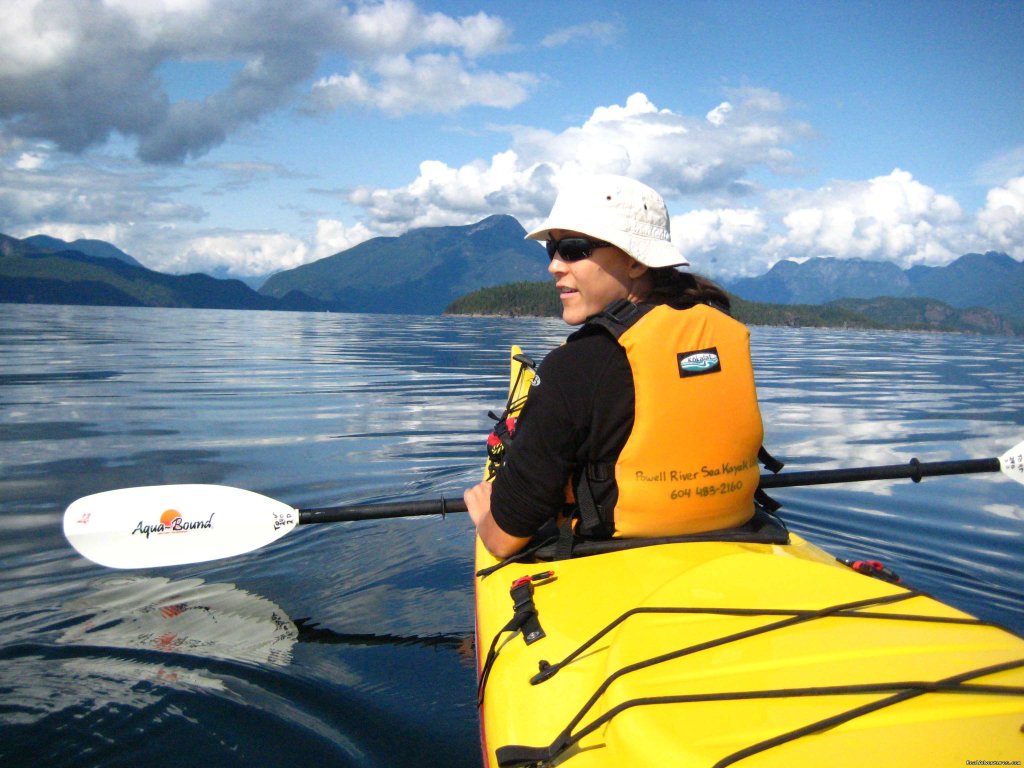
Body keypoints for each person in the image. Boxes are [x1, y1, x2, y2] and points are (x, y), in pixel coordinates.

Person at [465, 174, 765, 559]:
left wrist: (485, 514)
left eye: (574, 249)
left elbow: (505, 539)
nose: (554, 266)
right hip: (737, 534)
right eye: (551, 250)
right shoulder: (719, 335)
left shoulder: (573, 368)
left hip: (618, 557)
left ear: (636, 261)